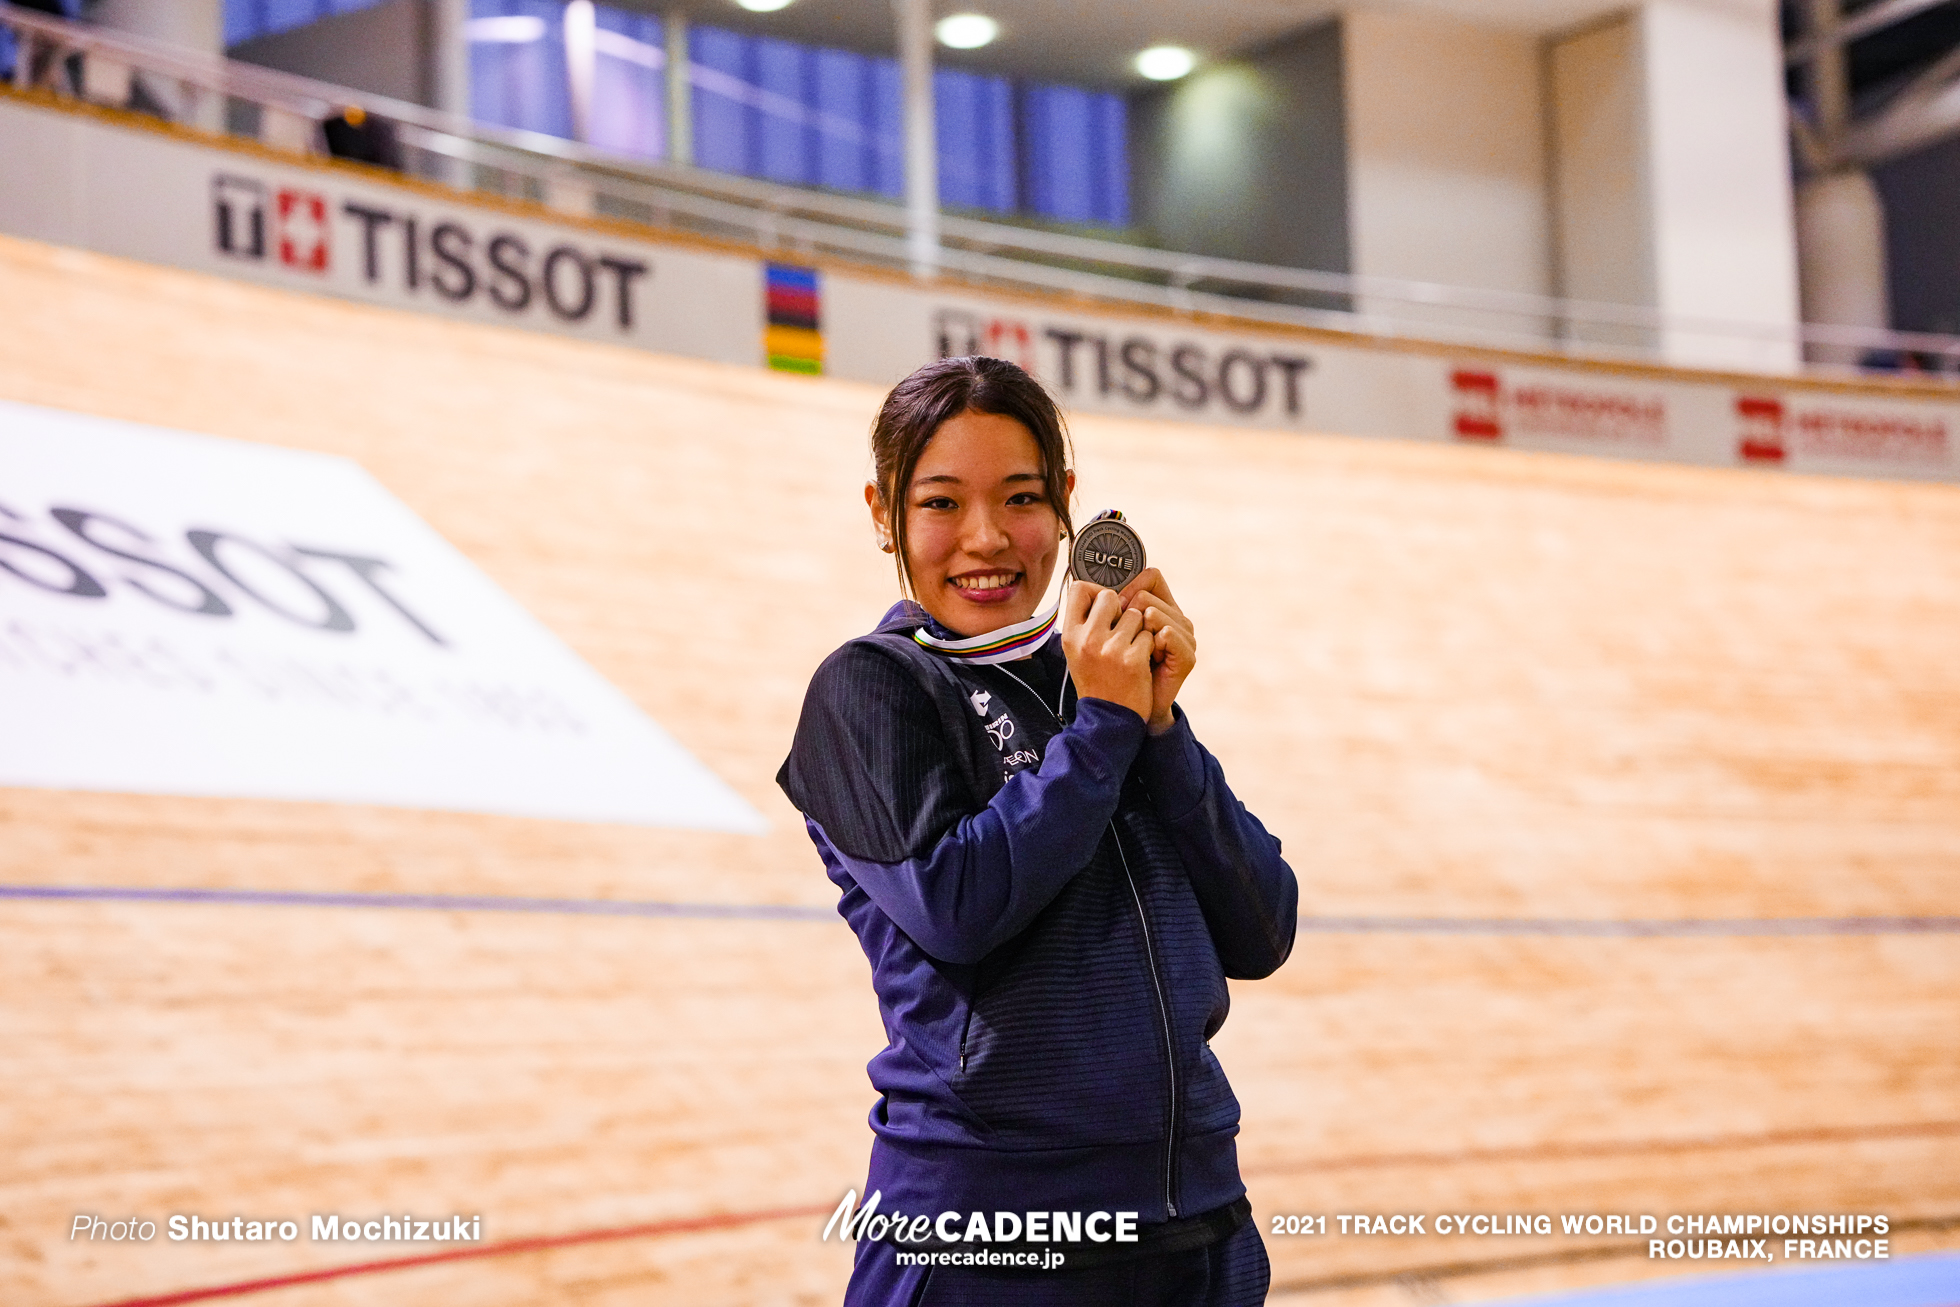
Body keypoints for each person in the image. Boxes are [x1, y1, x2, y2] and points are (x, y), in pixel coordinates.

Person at [778, 356, 1299, 1306]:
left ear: (1065, 503)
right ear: (882, 509)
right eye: (940, 503)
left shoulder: (1099, 682)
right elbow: (958, 905)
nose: (986, 538)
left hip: (1198, 1226)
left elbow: (1263, 929)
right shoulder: (872, 687)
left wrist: (1159, 729)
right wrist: (1104, 728)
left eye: (1020, 497)